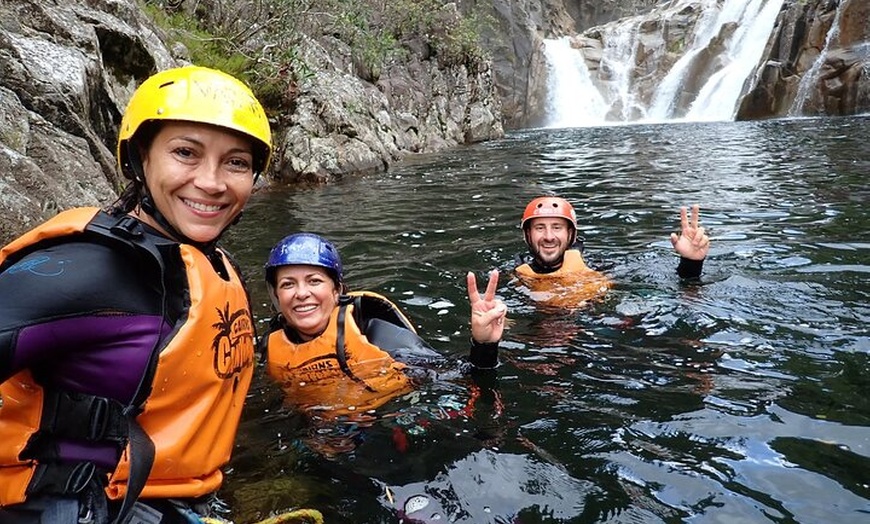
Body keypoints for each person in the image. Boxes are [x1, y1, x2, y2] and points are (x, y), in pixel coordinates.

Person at [0, 65, 272, 524]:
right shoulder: (90, 270)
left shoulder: (216, 266)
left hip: (171, 499)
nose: (212, 181)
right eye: (186, 153)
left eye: (237, 162)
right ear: (140, 158)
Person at [261, 232, 508, 420]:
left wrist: (484, 345)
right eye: (288, 284)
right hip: (322, 430)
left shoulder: (374, 331)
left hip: (389, 419)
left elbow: (456, 373)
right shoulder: (270, 346)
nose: (301, 293)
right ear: (277, 297)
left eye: (314, 281)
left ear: (337, 290)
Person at [514, 196, 710, 308]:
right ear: (528, 235)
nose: (549, 236)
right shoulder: (515, 276)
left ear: (571, 234)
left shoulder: (599, 267)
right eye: (540, 228)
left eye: (557, 227)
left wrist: (691, 263)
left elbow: (671, 288)